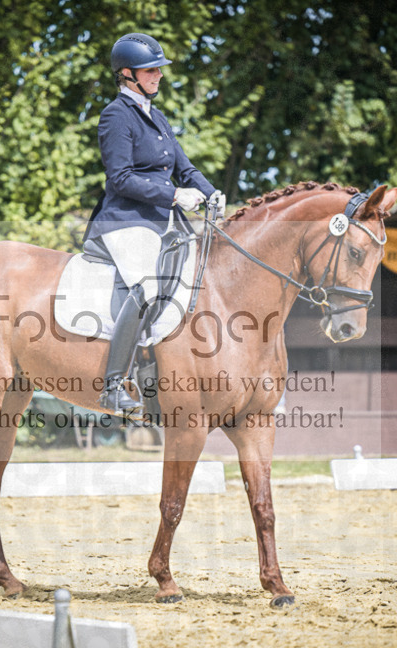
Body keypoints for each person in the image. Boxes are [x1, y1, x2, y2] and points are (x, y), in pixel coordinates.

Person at [89, 32, 226, 414]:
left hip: (162, 223)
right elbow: (120, 178)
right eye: (152, 70)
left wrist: (210, 192)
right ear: (128, 74)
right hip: (125, 221)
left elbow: (184, 168)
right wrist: (172, 196)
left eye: (159, 70)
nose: (159, 76)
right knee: (148, 286)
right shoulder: (115, 115)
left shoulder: (157, 116)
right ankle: (113, 386)